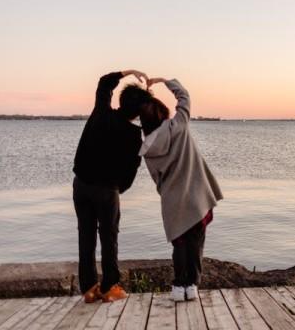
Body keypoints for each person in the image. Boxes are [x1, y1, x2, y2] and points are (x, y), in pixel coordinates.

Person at [139, 77, 223, 302]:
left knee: (180, 244)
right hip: (195, 197)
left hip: (171, 200)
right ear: (163, 114)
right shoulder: (180, 126)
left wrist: (168, 193)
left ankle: (178, 286)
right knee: (196, 242)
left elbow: (157, 179)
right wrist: (166, 81)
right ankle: (192, 285)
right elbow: (184, 97)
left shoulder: (147, 148)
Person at [73, 70, 152, 303]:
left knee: (85, 236)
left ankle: (88, 288)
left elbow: (104, 82)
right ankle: (109, 287)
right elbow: (130, 174)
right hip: (107, 190)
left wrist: (129, 72)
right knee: (109, 238)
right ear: (138, 112)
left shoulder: (101, 112)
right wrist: (117, 189)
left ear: (121, 101)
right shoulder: (134, 136)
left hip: (81, 185)